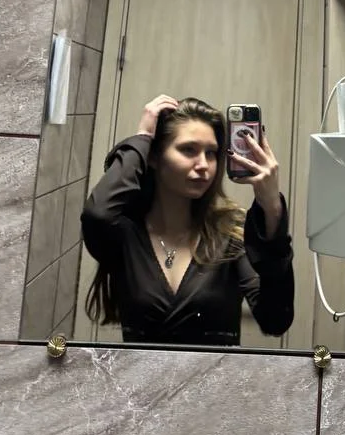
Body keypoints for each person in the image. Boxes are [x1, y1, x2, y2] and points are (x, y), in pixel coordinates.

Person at [81, 94, 294, 346]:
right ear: (154, 156)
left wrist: (271, 207)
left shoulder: (230, 232)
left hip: (215, 372)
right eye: (188, 150)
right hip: (140, 372)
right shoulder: (125, 234)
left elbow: (275, 319)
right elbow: (97, 214)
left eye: (211, 153)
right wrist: (142, 139)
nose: (204, 165)